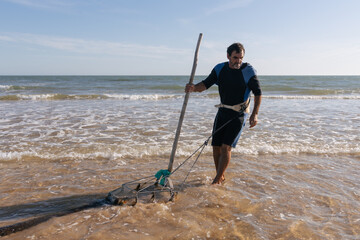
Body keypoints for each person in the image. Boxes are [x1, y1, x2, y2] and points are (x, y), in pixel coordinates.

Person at [185, 42, 262, 184]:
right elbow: (205, 84)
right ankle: (220, 175)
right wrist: (193, 88)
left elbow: (258, 93)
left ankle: (216, 180)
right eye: (235, 57)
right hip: (223, 111)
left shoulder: (248, 71)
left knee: (226, 146)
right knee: (216, 146)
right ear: (228, 56)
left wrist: (255, 114)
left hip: (239, 113)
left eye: (240, 58)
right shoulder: (220, 69)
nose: (238, 61)